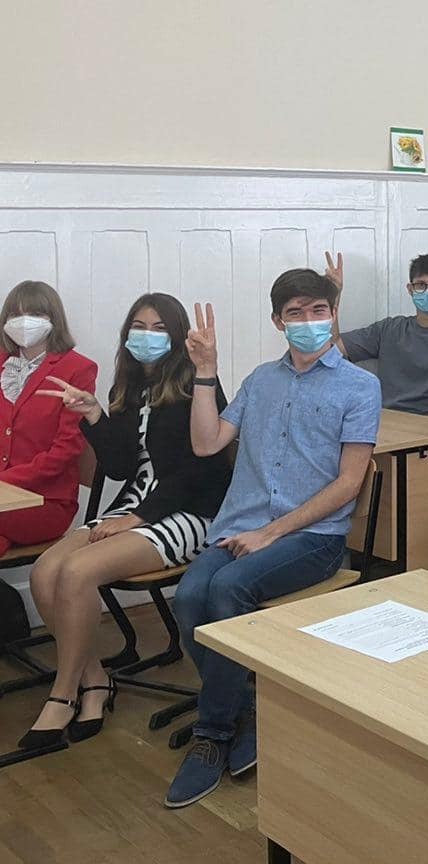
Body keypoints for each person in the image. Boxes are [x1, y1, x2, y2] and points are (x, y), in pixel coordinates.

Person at [167, 272, 380, 808]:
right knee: (188, 597)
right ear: (277, 322)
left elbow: (349, 483)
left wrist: (271, 532)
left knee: (227, 590)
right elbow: (206, 442)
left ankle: (212, 733)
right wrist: (206, 372)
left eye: (318, 310)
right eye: (295, 313)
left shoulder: (359, 386)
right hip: (242, 526)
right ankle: (245, 708)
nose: (308, 322)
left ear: (333, 313)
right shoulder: (261, 379)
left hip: (313, 536)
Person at [22, 295, 229, 751]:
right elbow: (119, 467)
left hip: (189, 512)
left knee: (77, 572)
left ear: (177, 336)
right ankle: (94, 679)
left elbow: (204, 472)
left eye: (159, 327)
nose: (146, 336)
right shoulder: (130, 387)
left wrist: (138, 518)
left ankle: (63, 693)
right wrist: (94, 414)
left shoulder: (196, 384)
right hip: (136, 504)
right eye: (138, 325)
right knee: (44, 571)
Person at [0, 282, 96, 558]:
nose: (24, 321)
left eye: (35, 314)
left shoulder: (78, 369)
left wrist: (4, 481)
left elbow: (65, 450)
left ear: (54, 319)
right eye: (15, 315)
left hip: (46, 500)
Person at [327, 252, 428, 421]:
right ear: (410, 289)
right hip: (386, 425)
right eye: (421, 285)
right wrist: (333, 296)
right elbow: (334, 347)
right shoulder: (389, 329)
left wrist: (417, 428)